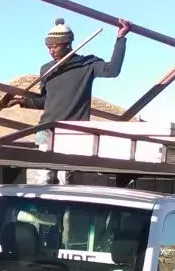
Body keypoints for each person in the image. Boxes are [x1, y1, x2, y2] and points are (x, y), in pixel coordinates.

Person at [8, 16, 132, 184]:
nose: (51, 51)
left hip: (73, 131)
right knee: (41, 181)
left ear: (67, 44)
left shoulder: (87, 64)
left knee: (66, 180)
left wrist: (121, 38)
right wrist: (24, 101)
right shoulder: (47, 69)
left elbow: (112, 70)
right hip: (46, 130)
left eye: (55, 46)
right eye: (48, 47)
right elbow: (47, 100)